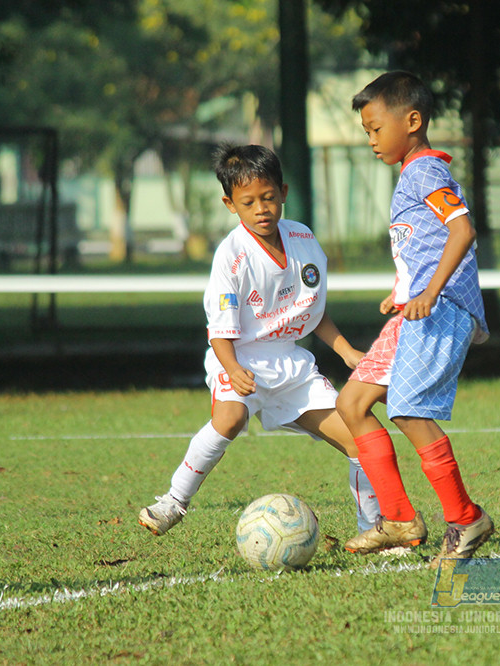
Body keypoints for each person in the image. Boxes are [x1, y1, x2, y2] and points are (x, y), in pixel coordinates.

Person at [138, 143, 379, 537]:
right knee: (230, 418)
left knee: (360, 439)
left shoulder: (302, 239)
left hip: (290, 364)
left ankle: (374, 527)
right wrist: (233, 370)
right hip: (238, 357)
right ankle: (172, 503)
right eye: (248, 202)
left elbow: (313, 312)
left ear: (283, 192)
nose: (261, 209)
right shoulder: (231, 256)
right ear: (230, 204)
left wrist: (347, 351)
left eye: (268, 198)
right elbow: (218, 331)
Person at [337, 71, 493, 568]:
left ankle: (466, 520)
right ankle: (401, 518)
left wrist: (428, 291)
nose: (371, 140)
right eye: (366, 131)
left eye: (375, 128)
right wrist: (403, 291)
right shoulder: (414, 172)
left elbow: (462, 231)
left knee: (407, 411)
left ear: (413, 120)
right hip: (414, 309)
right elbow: (423, 242)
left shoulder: (425, 170)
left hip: (440, 309)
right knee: (353, 401)